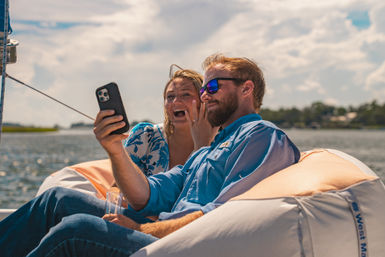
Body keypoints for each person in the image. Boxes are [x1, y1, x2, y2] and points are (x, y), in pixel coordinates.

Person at [0, 53, 300, 257]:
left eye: (211, 86)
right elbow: (146, 195)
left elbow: (224, 216)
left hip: (186, 247)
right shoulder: (208, 150)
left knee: (77, 229)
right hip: (165, 232)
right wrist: (115, 150)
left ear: (246, 89)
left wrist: (143, 228)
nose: (204, 94)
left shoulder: (262, 137)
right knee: (59, 200)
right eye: (204, 88)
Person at [35, 66, 216, 198]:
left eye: (185, 95)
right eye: (170, 97)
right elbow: (116, 188)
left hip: (175, 225)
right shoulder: (146, 137)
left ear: (203, 101)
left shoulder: (218, 142)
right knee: (58, 197)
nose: (176, 102)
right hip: (134, 218)